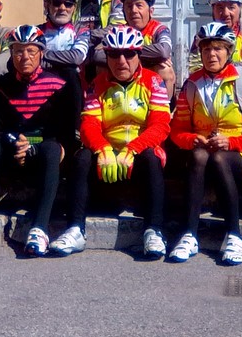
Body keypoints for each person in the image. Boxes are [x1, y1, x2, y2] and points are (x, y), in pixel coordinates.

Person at [52, 26, 172, 257]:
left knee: (152, 157)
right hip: (108, 154)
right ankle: (75, 229)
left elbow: (160, 125)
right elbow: (89, 124)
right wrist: (103, 148)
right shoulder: (97, 84)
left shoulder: (154, 81)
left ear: (139, 56)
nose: (122, 61)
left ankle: (154, 230)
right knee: (82, 157)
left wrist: (133, 149)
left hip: (140, 152)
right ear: (106, 57)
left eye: (129, 54)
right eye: (114, 54)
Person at [169, 22, 242, 265]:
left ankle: (235, 235)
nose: (211, 54)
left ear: (229, 52)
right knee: (198, 156)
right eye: (206, 49)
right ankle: (189, 234)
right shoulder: (191, 84)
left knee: (218, 158)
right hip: (204, 151)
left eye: (218, 49)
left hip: (241, 152)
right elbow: (177, 130)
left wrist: (232, 142)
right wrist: (192, 139)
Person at [0, 26, 80, 257]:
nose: (25, 57)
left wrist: (33, 148)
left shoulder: (59, 85)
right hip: (11, 151)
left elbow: (64, 133)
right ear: (11, 54)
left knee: (52, 149)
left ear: (41, 53)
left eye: (31, 51)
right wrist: (14, 141)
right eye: (18, 51)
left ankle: (39, 229)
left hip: (44, 154)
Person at [106, 0, 176, 96]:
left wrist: (126, 52)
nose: (133, 10)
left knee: (165, 70)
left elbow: (163, 51)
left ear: (151, 11)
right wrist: (149, 56)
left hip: (149, 75)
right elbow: (99, 54)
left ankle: (164, 106)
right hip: (125, 74)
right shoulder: (118, 30)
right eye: (129, 6)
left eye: (139, 5)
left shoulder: (159, 29)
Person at [73, 0, 124, 80]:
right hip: (75, 47)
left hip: (103, 47)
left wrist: (87, 36)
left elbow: (117, 28)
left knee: (100, 57)